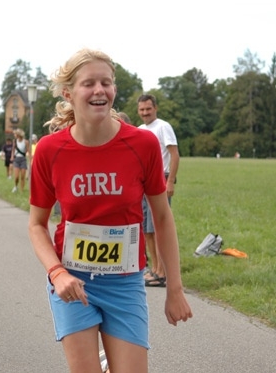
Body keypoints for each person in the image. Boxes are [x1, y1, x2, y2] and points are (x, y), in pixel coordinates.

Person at [28, 48, 192, 373]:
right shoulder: (50, 150)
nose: (99, 90)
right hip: (73, 281)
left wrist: (174, 288)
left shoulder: (142, 144)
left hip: (124, 283)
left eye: (106, 82)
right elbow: (36, 225)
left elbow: (162, 218)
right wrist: (57, 273)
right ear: (68, 93)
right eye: (89, 83)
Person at [137, 93, 180, 287]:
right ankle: (155, 268)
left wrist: (170, 181)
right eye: (142, 109)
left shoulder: (163, 127)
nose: (145, 112)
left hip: (160, 180)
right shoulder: (140, 130)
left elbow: (174, 154)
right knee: (147, 229)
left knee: (158, 228)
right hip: (143, 182)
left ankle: (163, 273)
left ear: (155, 108)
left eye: (148, 109)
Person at [11, 129, 29, 193]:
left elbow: (28, 150)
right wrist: (12, 156)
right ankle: (15, 186)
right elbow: (13, 149)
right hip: (16, 159)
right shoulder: (15, 141)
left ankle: (22, 190)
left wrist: (29, 158)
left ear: (18, 134)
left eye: (15, 134)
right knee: (16, 177)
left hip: (23, 159)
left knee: (23, 176)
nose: (14, 135)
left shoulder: (26, 142)